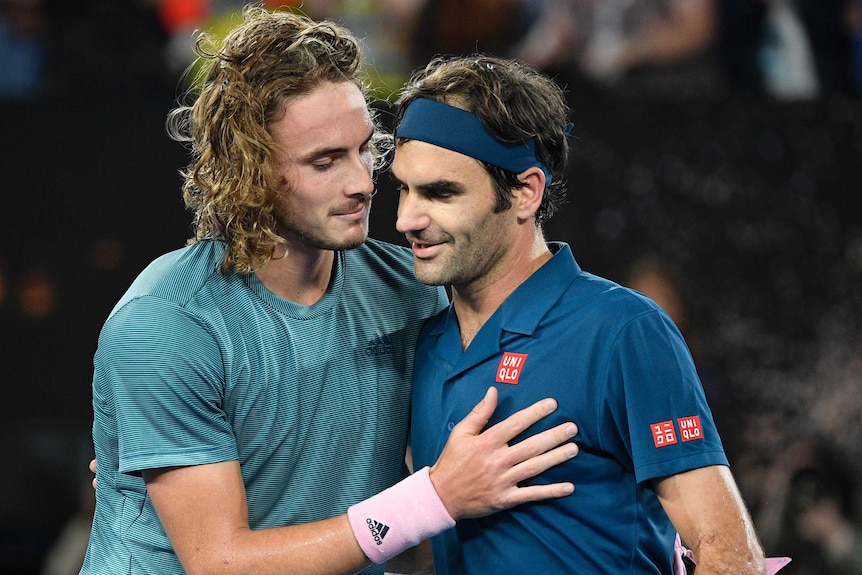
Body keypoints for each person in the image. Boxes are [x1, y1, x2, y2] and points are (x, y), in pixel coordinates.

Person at [79, 8, 580, 575]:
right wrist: (433, 498)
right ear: (251, 170)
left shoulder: (414, 291)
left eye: (364, 148)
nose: (363, 181)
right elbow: (220, 564)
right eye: (325, 161)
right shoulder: (164, 323)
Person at [390, 54, 786, 574]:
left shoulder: (622, 331)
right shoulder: (423, 345)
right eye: (403, 187)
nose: (406, 219)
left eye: (441, 192)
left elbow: (728, 556)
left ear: (526, 192)